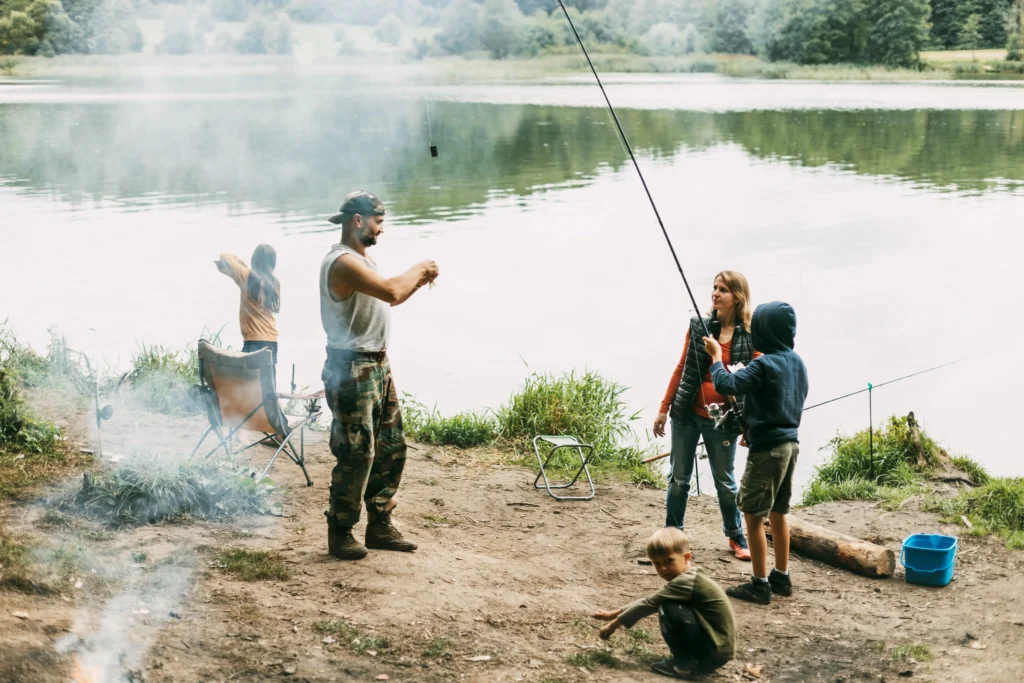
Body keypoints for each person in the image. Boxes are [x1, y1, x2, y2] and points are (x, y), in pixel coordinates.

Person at [320, 191, 439, 561]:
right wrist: (420, 268)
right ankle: (340, 531)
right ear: (358, 221)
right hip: (352, 368)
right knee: (357, 453)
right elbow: (390, 290)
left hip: (376, 365)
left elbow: (393, 296)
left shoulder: (362, 259)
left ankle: (379, 525)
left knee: (391, 448)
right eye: (378, 222)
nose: (381, 229)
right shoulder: (341, 262)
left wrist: (416, 282)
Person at [703, 301, 808, 605]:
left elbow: (726, 383)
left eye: (756, 327)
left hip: (768, 451)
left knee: (752, 515)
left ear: (765, 331)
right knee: (778, 512)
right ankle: (782, 577)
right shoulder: (796, 362)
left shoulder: (763, 364)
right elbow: (780, 398)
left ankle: (759, 584)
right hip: (791, 445)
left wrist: (715, 357)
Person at [653, 271, 760, 560]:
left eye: (722, 289)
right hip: (686, 414)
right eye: (714, 287)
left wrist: (750, 428)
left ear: (737, 297)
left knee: (725, 482)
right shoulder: (698, 326)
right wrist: (664, 409)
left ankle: (735, 537)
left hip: (725, 422)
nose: (715, 293)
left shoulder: (750, 334)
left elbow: (758, 384)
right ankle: (673, 535)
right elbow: (680, 368)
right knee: (678, 479)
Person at [593, 527, 736, 679]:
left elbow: (649, 603)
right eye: (657, 563)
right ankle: (694, 662)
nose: (663, 568)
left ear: (686, 557)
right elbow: (650, 600)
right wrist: (612, 614)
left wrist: (613, 624)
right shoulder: (692, 576)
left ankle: (683, 665)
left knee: (668, 606)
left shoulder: (685, 581)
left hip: (714, 650)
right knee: (666, 602)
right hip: (718, 650)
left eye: (669, 561)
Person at [214, 245, 281, 365]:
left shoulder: (246, 275)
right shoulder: (274, 284)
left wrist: (242, 264)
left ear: (254, 259)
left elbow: (224, 257)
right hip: (272, 341)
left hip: (254, 342)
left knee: (246, 379)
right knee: (268, 380)